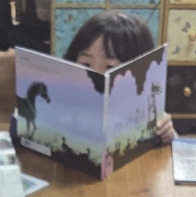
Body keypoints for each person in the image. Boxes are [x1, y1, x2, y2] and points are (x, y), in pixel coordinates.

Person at [64, 11, 176, 144]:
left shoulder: (143, 108)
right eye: (86, 64)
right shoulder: (67, 100)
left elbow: (169, 140)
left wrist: (167, 134)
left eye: (110, 67)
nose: (95, 75)